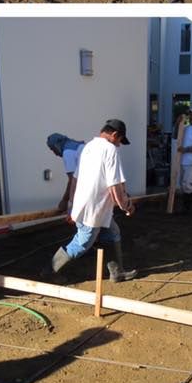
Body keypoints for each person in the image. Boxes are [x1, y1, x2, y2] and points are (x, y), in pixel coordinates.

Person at [49, 118, 138, 282]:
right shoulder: (110, 150)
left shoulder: (87, 147)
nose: (119, 145)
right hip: (94, 210)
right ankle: (50, 271)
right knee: (82, 243)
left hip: (93, 208)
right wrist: (126, 206)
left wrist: (72, 206)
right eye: (119, 141)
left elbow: (75, 180)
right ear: (115, 135)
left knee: (113, 232)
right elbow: (114, 186)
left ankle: (116, 272)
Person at [46, 132, 84, 215]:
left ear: (57, 145)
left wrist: (64, 200)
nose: (55, 154)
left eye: (53, 149)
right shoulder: (78, 145)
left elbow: (73, 180)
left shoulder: (68, 152)